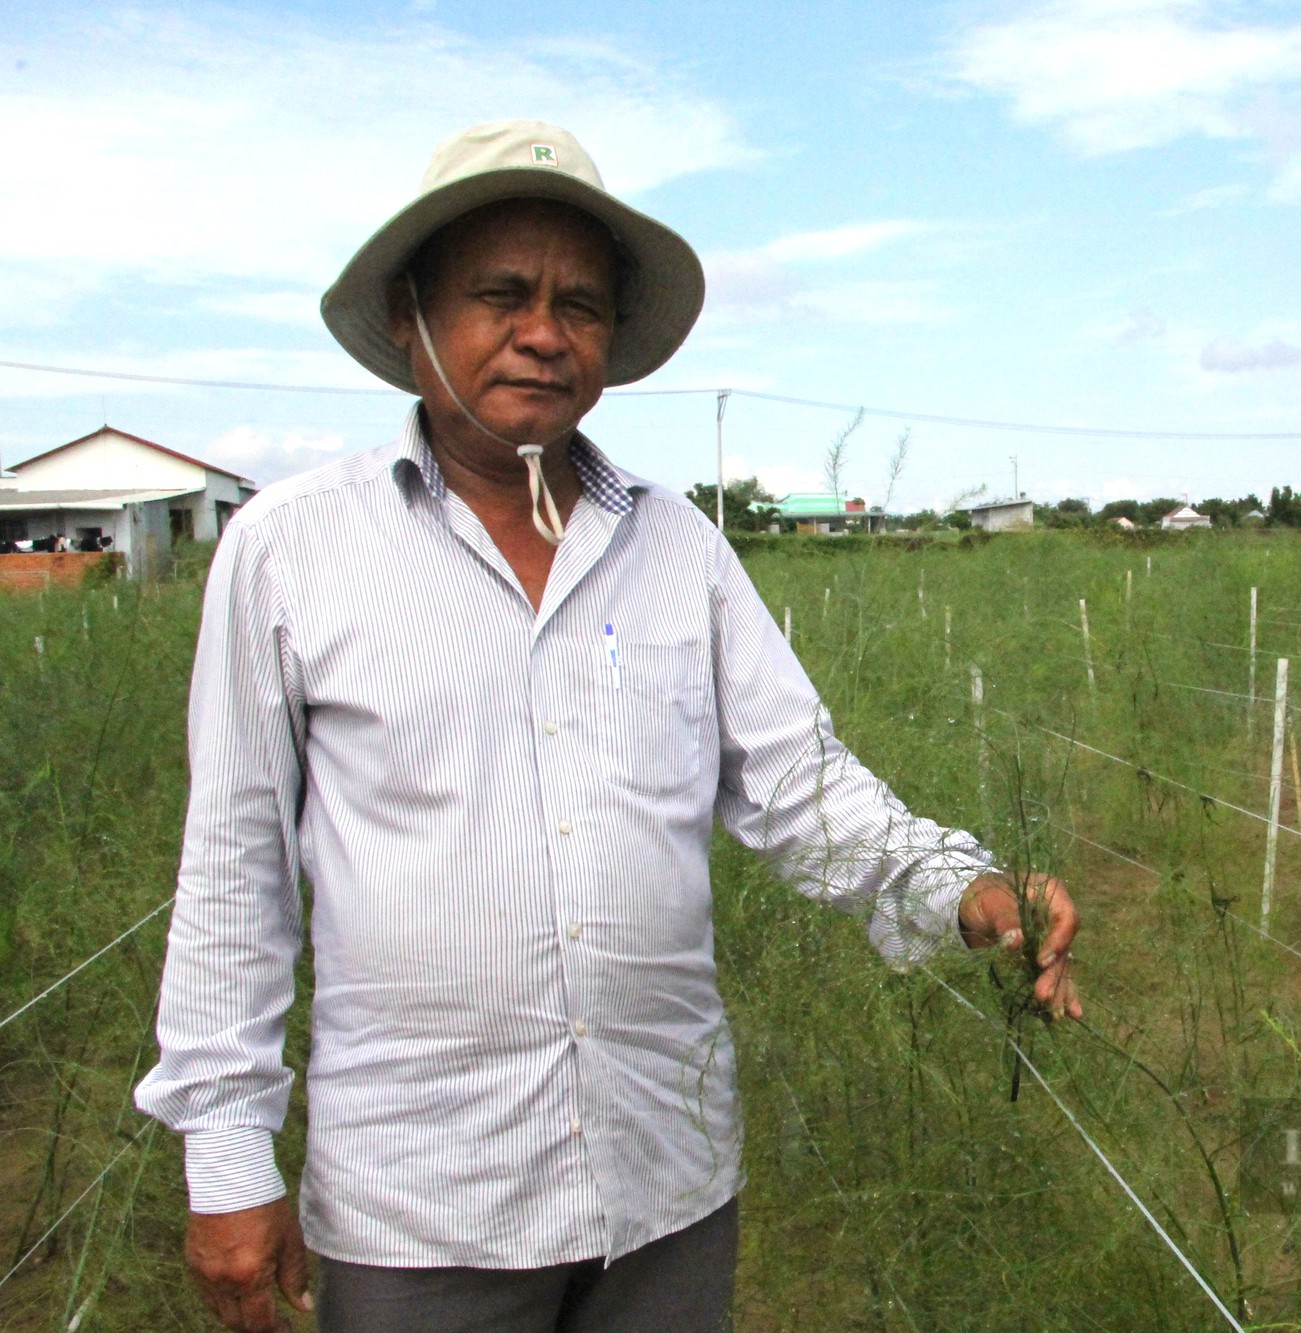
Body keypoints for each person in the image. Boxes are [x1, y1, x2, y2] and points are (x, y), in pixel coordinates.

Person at [136, 120, 1080, 1333]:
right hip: (422, 1204)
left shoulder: (675, 546)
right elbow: (233, 865)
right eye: (500, 294)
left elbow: (797, 779)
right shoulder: (290, 549)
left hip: (665, 1182)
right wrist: (226, 1163)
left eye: (579, 304)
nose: (543, 331)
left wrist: (967, 888)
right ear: (411, 310)